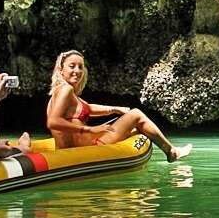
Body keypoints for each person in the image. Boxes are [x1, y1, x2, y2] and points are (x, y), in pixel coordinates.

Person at [46, 50, 192, 162]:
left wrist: (115, 109)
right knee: (136, 114)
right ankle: (172, 152)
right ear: (60, 70)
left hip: (77, 148)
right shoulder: (66, 90)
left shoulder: (60, 93)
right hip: (86, 149)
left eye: (80, 67)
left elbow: (89, 108)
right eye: (72, 66)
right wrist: (89, 128)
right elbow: (53, 121)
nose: (77, 71)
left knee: (135, 131)